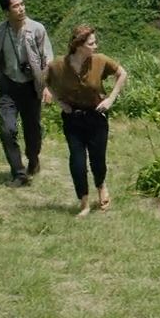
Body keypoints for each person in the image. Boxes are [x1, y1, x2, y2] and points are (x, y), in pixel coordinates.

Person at [44, 24, 128, 216]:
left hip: (97, 117)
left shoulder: (100, 61)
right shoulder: (58, 65)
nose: (95, 46)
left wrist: (111, 98)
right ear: (79, 45)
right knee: (77, 161)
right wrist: (59, 102)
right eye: (91, 43)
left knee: (98, 160)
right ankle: (83, 201)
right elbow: (44, 81)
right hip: (73, 119)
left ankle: (101, 185)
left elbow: (122, 73)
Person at [0, 0, 52, 187]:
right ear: (6, 12)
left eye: (22, 4)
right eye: (15, 6)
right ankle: (19, 173)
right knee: (7, 129)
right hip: (8, 86)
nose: (21, 9)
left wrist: (46, 86)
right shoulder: (0, 31)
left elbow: (48, 59)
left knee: (32, 130)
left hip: (30, 87)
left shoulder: (37, 29)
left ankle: (33, 159)